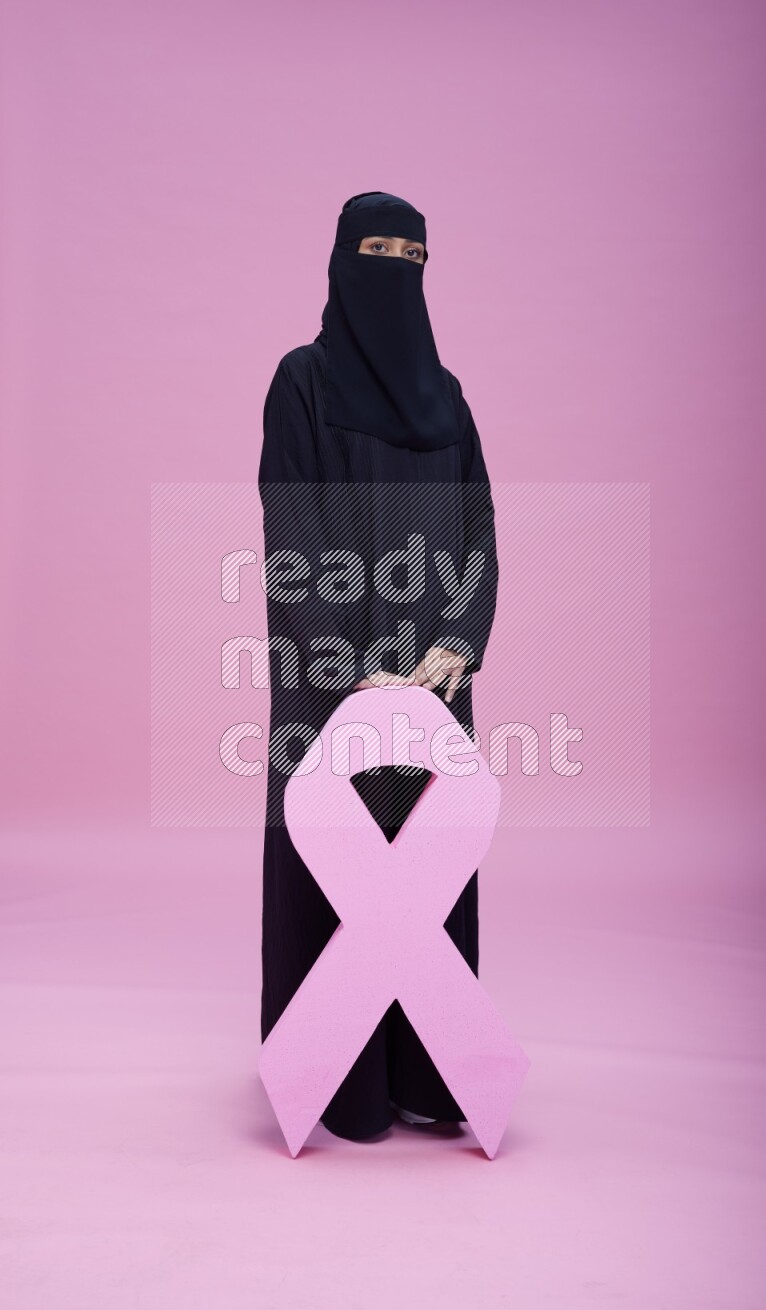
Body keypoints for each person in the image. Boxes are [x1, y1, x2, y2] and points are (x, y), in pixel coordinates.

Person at [258, 191, 499, 1141]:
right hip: (334, 685)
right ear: (341, 260)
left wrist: (453, 644)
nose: (396, 269)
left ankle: (435, 1082)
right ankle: (340, 1088)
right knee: (335, 867)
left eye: (415, 253)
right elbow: (294, 531)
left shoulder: (450, 398)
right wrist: (358, 667)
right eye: (379, 249)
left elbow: (480, 531)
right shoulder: (302, 384)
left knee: (428, 868)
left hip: (434, 684)